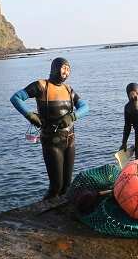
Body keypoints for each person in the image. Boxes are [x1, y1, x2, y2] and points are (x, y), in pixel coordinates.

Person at [10, 57, 90, 199]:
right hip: (52, 143)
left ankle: (61, 214)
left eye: (68, 69)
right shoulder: (41, 86)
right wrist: (29, 115)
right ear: (54, 68)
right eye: (63, 67)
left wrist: (72, 117)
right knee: (56, 186)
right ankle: (43, 212)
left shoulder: (68, 89)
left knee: (67, 185)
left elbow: (85, 107)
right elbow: (16, 98)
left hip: (70, 141)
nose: (65, 72)